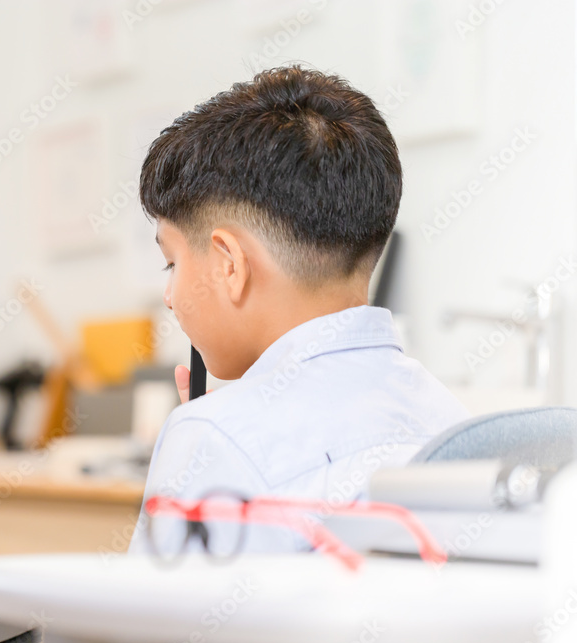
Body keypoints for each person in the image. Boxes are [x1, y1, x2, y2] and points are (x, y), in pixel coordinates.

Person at [127, 66, 469, 557]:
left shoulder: (210, 437)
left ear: (229, 265)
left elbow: (143, 627)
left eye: (172, 262)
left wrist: (202, 445)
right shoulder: (447, 417)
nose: (169, 295)